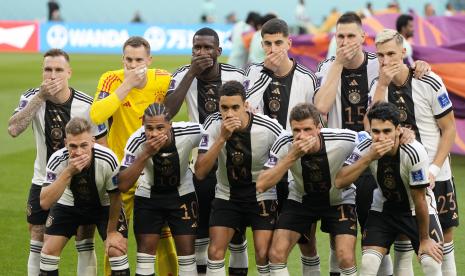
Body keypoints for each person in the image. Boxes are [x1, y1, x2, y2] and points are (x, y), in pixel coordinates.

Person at [314, 12, 430, 275]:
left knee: (376, 236)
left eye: (351, 36)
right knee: (338, 238)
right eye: (340, 36)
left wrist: (421, 65)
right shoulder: (326, 67)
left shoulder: (378, 64)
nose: (346, 42)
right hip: (341, 159)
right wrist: (337, 65)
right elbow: (320, 106)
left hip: (378, 156)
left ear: (363, 37)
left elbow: (405, 72)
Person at [7, 48, 107, 276]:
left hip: (81, 182)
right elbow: (14, 129)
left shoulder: (86, 105)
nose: (52, 76)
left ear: (69, 72)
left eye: (58, 70)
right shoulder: (31, 97)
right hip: (43, 178)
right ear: (42, 72)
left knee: (84, 236)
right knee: (37, 234)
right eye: (48, 70)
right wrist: (40, 97)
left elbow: (103, 146)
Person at [370, 29, 457, 276]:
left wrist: (433, 169)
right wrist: (383, 84)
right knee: (403, 244)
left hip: (435, 174)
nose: (385, 61)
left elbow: (449, 130)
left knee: (443, 244)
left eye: (391, 54)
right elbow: (370, 126)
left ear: (403, 52)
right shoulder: (379, 86)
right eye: (380, 55)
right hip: (399, 175)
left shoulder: (428, 80)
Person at [164, 28, 249, 275]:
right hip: (200, 162)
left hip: (233, 162)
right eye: (197, 48)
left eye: (207, 48)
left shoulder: (236, 74)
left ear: (218, 51)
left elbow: (250, 112)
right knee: (200, 233)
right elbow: (166, 113)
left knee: (236, 235)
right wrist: (191, 73)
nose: (201, 52)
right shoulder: (182, 74)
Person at [89, 36, 176, 276]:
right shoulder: (111, 78)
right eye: (128, 60)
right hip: (120, 172)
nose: (133, 65)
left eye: (139, 60)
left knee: (163, 238)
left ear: (149, 60)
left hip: (155, 171)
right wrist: (126, 85)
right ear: (122, 59)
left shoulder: (163, 79)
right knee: (115, 238)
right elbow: (96, 115)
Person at [245, 18, 320, 274]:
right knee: (265, 248)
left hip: (297, 170)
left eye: (278, 43)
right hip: (264, 170)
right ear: (262, 44)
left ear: (289, 42)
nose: (273, 49)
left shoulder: (307, 78)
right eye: (267, 44)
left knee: (306, 242)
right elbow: (247, 112)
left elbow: (316, 122)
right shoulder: (254, 73)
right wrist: (266, 74)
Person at [257, 103, 367, 276]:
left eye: (307, 129)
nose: (301, 136)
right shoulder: (285, 143)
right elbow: (262, 184)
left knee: (345, 257)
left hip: (339, 199)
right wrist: (292, 156)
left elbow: (370, 139)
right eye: (296, 130)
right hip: (301, 200)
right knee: (276, 254)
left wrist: (406, 135)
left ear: (318, 128)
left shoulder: (344, 139)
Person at [335, 102, 444, 275]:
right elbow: (340, 181)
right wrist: (369, 157)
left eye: (387, 131)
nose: (381, 137)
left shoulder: (414, 151)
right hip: (383, 209)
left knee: (431, 262)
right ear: (369, 130)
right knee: (368, 263)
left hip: (416, 209)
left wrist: (424, 239)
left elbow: (420, 198)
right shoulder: (365, 147)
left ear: (398, 129)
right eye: (376, 131)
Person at [195, 81, 285, 276]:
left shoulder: (269, 127)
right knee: (215, 251)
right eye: (224, 108)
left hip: (262, 195)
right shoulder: (212, 125)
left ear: (246, 105)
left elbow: (289, 157)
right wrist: (221, 138)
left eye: (235, 107)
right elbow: (200, 172)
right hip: (227, 194)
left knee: (263, 253)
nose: (229, 114)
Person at [118, 103, 204, 275]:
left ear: (170, 125)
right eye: (149, 128)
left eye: (160, 128)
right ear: (143, 125)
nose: (154, 133)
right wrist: (146, 153)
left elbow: (213, 130)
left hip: (182, 193)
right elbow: (123, 184)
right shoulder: (137, 140)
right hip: (148, 195)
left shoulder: (189, 132)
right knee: (145, 256)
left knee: (187, 255)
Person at [38, 117, 129, 275]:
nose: (78, 152)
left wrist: (112, 232)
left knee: (116, 250)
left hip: (104, 205)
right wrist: (68, 172)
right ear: (66, 142)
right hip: (69, 205)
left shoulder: (108, 159)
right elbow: (45, 202)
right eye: (73, 146)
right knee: (48, 251)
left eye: (83, 145)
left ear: (93, 142)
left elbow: (115, 197)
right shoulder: (57, 160)